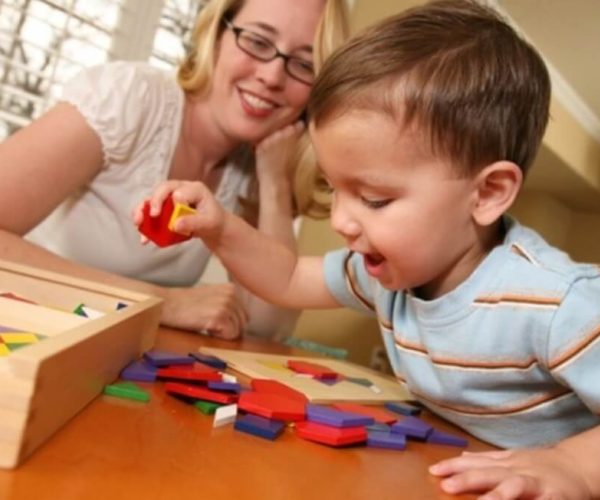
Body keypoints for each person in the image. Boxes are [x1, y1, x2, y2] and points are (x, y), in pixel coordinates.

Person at [137, 1, 600, 498]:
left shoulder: (556, 303)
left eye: (374, 199)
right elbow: (290, 277)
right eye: (335, 189)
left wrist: (571, 466)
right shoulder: (389, 275)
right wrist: (220, 228)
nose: (340, 220)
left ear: (486, 193)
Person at [0, 0, 349, 340]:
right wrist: (161, 302)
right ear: (215, 37)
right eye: (257, 42)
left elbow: (266, 323)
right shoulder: (128, 99)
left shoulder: (257, 160)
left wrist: (275, 181)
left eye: (304, 65)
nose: (272, 76)